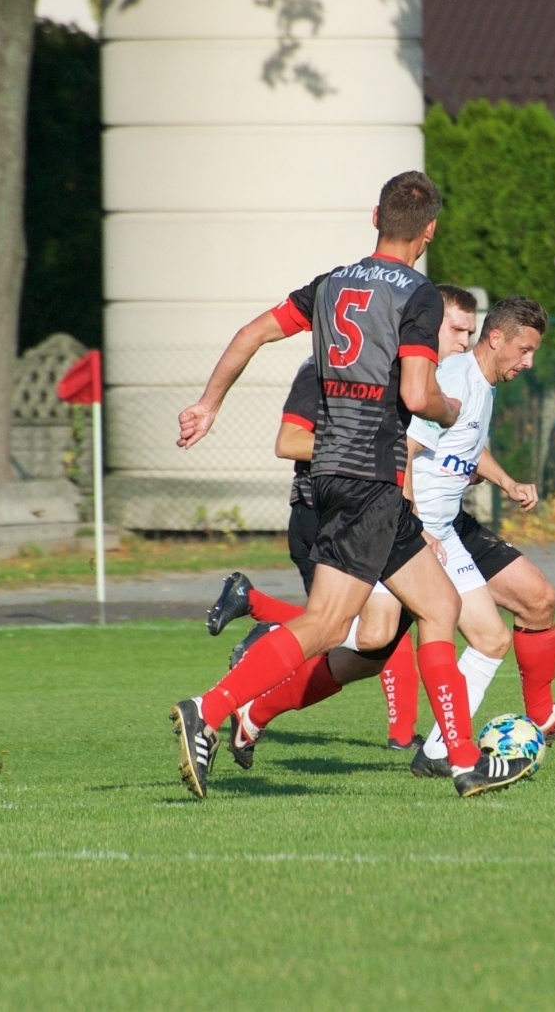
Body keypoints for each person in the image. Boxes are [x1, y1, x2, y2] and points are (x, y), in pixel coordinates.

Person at [168, 171, 535, 799]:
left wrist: (209, 402)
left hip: (340, 474)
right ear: (429, 233)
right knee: (325, 624)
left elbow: (254, 332)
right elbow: (418, 394)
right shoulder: (418, 296)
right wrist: (450, 409)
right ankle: (212, 707)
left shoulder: (331, 283)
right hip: (370, 474)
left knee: (440, 606)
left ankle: (465, 760)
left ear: (375, 218)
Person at [209, 295, 555, 776]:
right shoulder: (452, 378)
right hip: (406, 528)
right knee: (368, 637)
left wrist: (504, 480)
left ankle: (441, 750)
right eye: (524, 351)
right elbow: (407, 448)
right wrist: (414, 521)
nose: (528, 362)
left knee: (485, 637)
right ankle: (266, 644)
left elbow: (461, 446)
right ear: (497, 338)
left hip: (443, 530)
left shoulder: (481, 385)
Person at [201, 286, 481, 761]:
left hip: (380, 507)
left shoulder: (408, 371)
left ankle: (457, 756)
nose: (460, 341)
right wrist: (367, 460)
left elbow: (413, 445)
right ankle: (246, 663)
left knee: (390, 631)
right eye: (455, 329)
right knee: (352, 629)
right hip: (334, 510)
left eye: (468, 333)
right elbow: (290, 440)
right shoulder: (326, 371)